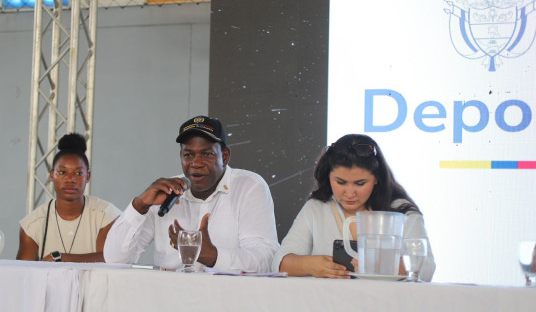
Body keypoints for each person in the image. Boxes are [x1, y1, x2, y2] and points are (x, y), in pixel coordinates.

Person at [103, 115, 279, 272]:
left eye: (207, 154)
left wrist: (213, 256)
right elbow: (115, 260)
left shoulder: (249, 187)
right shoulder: (166, 193)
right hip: (169, 295)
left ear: (225, 157)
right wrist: (139, 206)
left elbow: (265, 258)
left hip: (226, 296)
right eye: (188, 155)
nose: (196, 163)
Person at [272, 134, 436, 281]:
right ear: (328, 176)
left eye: (360, 183)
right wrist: (310, 265)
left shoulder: (401, 212)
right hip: (327, 302)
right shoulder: (316, 208)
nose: (350, 193)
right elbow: (280, 263)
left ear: (377, 178)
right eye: (340, 182)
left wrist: (387, 267)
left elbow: (426, 267)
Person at [17, 133, 121, 262]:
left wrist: (62, 258)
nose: (70, 179)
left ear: (87, 177)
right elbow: (23, 271)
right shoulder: (31, 226)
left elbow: (109, 259)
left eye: (78, 173)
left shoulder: (106, 215)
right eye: (62, 172)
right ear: (51, 175)